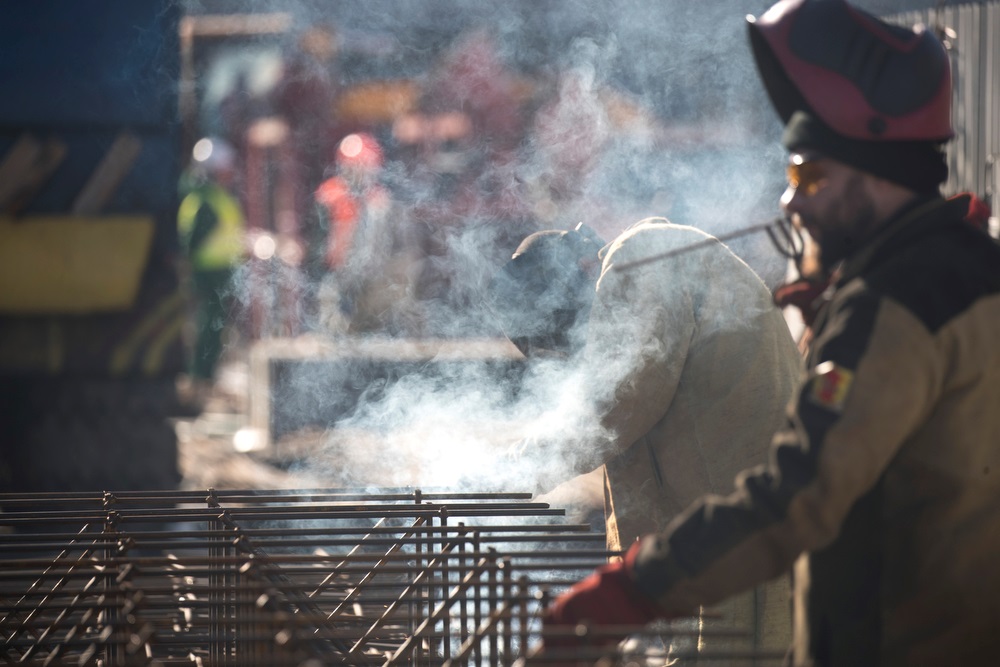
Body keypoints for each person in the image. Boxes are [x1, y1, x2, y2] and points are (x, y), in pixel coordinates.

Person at [542, 2, 1000, 666]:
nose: (791, 201)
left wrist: (638, 586)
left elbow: (797, 494)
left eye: (807, 175)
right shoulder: (969, 265)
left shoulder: (891, 305)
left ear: (874, 175)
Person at [488, 220, 802, 660]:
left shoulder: (642, 257)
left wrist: (512, 473)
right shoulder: (642, 267)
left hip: (742, 522)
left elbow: (619, 402)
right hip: (716, 525)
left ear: (576, 269)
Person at [177, 137, 247, 401]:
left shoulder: (214, 197)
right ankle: (200, 378)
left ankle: (204, 378)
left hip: (219, 272)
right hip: (209, 274)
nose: (230, 174)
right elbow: (193, 243)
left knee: (214, 326)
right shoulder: (204, 201)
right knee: (208, 326)